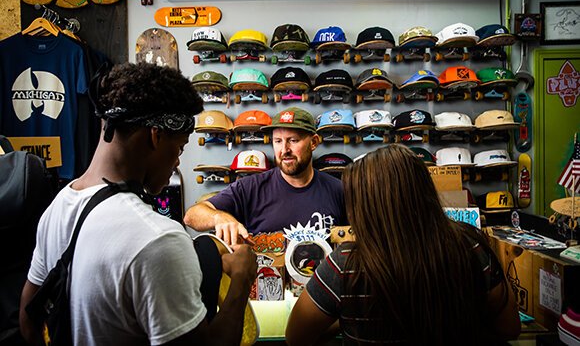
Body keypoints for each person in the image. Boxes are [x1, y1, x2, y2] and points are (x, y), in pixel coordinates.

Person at [19, 62, 257, 346]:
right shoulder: (157, 239)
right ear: (155, 136)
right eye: (179, 148)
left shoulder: (60, 205)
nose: (177, 161)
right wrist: (242, 280)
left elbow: (28, 320)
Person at [286, 144, 521, 345]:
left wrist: (343, 319)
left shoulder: (345, 265)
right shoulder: (470, 245)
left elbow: (296, 338)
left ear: (365, 205)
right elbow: (510, 327)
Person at [184, 106, 346, 245]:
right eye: (278, 141)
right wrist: (218, 217)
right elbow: (192, 216)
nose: (284, 150)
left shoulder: (338, 190)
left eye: (293, 140)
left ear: (314, 142)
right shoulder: (250, 188)